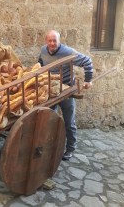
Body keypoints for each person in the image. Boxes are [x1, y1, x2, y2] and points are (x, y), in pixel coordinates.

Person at [38, 30, 93, 160]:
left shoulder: (67, 52)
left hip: (66, 90)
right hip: (51, 91)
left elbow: (87, 61)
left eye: (54, 41)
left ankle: (70, 149)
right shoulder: (43, 50)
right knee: (50, 120)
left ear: (59, 41)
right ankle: (51, 146)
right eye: (50, 40)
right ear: (46, 41)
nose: (52, 43)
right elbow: (40, 63)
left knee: (69, 121)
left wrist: (88, 80)